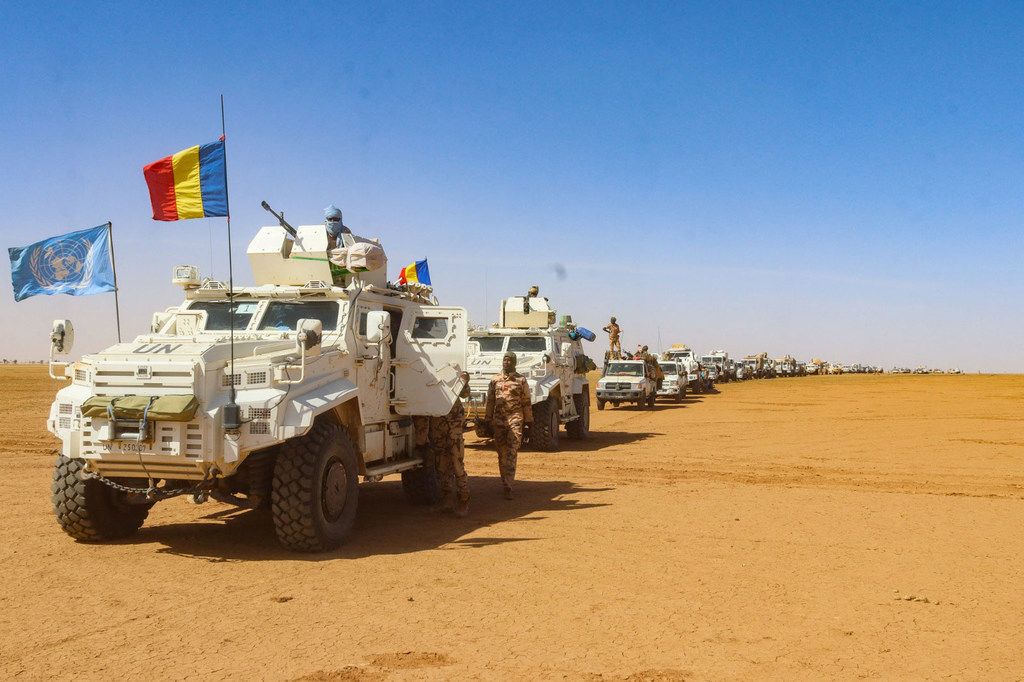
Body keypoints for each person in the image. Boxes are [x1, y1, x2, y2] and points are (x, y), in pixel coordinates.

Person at [485, 351, 533, 499]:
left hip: (515, 418)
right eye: (505, 360)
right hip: (499, 420)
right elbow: (490, 401)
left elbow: (526, 401)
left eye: (509, 360)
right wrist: (487, 420)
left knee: (512, 451)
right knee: (502, 453)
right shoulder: (495, 380)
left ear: (514, 362)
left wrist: (529, 422)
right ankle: (504, 480)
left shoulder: (520, 380)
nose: (506, 362)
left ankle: (508, 485)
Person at [433, 372, 471, 517]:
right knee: (441, 465)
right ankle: (446, 500)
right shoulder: (431, 378)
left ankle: (463, 498)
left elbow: (465, 395)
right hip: (438, 425)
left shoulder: (455, 375)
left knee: (457, 464)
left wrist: (465, 382)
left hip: (453, 425)